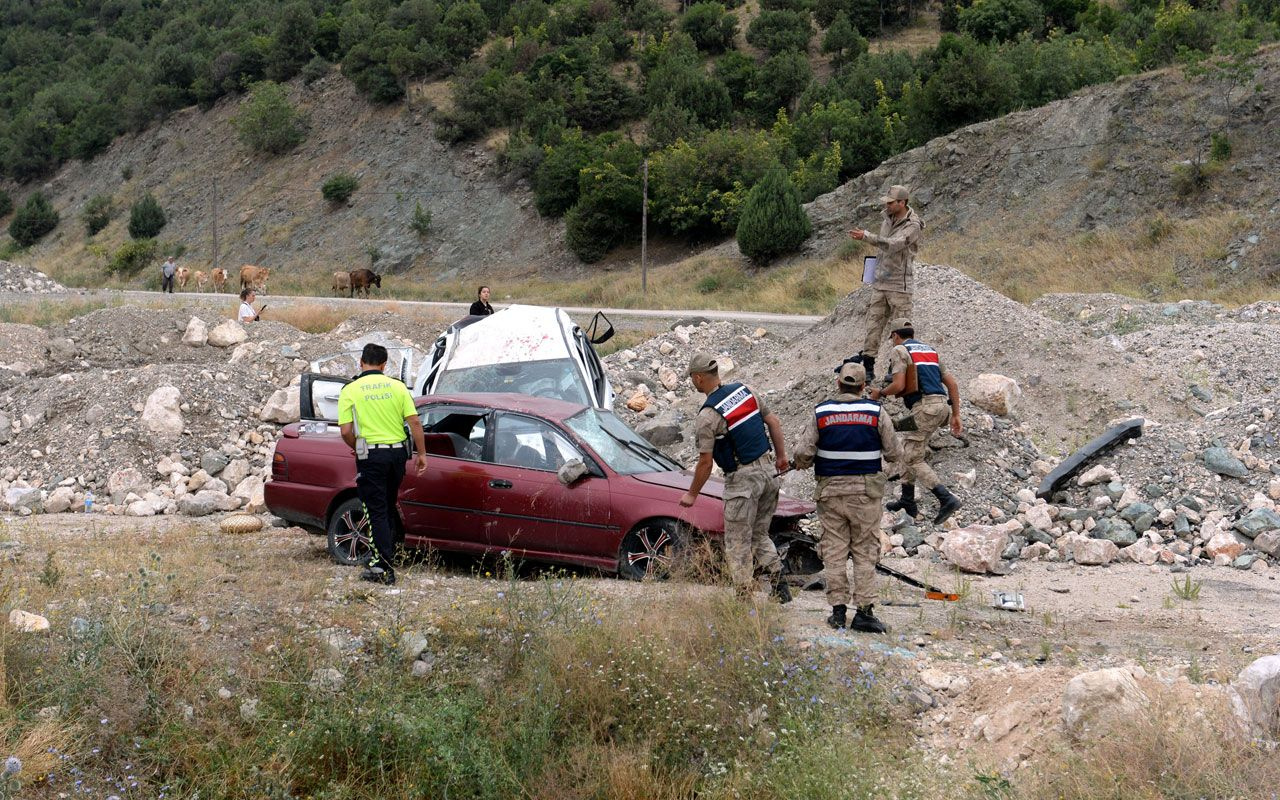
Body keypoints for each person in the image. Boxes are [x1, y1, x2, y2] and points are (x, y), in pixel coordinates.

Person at [793, 361, 903, 632]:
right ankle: (864, 613)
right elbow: (895, 453)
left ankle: (838, 612)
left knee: (835, 551)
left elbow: (803, 454)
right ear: (864, 386)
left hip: (830, 493)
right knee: (865, 552)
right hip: (866, 494)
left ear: (838, 384)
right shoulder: (876, 412)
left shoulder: (822, 413)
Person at [679, 352, 791, 604]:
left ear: (698, 378)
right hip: (769, 473)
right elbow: (773, 421)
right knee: (760, 535)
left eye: (692, 379)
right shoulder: (745, 390)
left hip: (743, 481)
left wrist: (692, 494)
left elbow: (705, 462)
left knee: (737, 540)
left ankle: (743, 597)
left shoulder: (707, 416)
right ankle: (778, 585)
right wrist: (781, 457)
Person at [337, 343, 429, 585]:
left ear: (361, 362)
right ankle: (384, 555)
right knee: (387, 506)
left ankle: (382, 568)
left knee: (374, 509)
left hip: (371, 456)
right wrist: (422, 454)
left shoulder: (351, 390)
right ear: (385, 365)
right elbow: (415, 423)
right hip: (398, 455)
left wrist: (356, 445)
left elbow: (345, 430)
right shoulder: (398, 387)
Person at [870, 318, 963, 525]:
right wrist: (956, 415)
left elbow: (898, 384)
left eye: (892, 339)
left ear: (895, 335)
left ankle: (946, 498)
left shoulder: (900, 351)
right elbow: (952, 384)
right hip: (940, 407)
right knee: (907, 449)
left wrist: (880, 393)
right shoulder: (930, 350)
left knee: (913, 458)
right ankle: (907, 500)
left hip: (925, 407)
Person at [849, 184, 924, 382]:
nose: (887, 206)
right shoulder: (887, 219)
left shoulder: (913, 225)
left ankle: (897, 370)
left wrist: (867, 237)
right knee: (873, 324)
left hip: (900, 284)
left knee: (900, 329)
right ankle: (868, 366)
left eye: (891, 203)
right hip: (881, 282)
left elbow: (893, 245)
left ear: (902, 202)